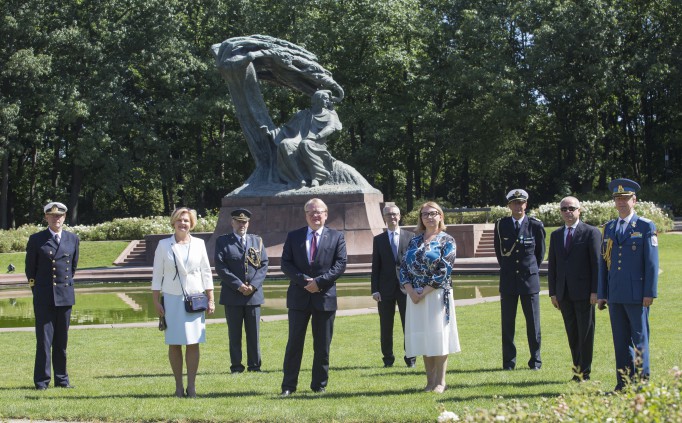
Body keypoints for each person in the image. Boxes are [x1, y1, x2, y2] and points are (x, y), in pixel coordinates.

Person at [280, 198, 347, 396]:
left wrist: (320, 282)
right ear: (305, 215)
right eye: (311, 212)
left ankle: (319, 385)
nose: (315, 215)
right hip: (298, 298)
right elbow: (286, 264)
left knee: (322, 345)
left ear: (326, 214)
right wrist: (303, 281)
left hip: (324, 297)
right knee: (294, 344)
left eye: (319, 212)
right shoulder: (294, 236)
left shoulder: (337, 237)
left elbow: (340, 264)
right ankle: (288, 386)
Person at [598, 178, 659, 392]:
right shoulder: (609, 228)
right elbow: (604, 264)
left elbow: (651, 264)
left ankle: (642, 384)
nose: (621, 202)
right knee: (620, 342)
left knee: (640, 341)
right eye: (618, 198)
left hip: (637, 294)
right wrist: (602, 294)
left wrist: (649, 293)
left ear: (634, 200)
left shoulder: (645, 226)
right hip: (615, 295)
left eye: (625, 198)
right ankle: (623, 384)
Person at [151, 207, 215, 398]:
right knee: (174, 343)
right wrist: (156, 301)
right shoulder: (164, 245)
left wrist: (211, 298)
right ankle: (179, 387)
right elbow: (157, 275)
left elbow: (206, 272)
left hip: (195, 299)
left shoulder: (199, 244)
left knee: (194, 342)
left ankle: (192, 387)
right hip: (171, 299)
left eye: (186, 220)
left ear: (192, 223)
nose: (183, 223)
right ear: (173, 222)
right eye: (179, 220)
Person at [399, 201, 460, 393]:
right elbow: (403, 268)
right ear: (421, 219)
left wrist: (424, 291)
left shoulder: (447, 240)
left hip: (435, 294)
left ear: (441, 216)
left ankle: (440, 382)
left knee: (438, 337)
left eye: (433, 213)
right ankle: (429, 382)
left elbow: (445, 269)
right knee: (424, 338)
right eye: (425, 214)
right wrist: (410, 291)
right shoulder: (414, 240)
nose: (429, 217)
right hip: (415, 296)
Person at [25, 201, 79, 390]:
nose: (56, 219)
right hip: (44, 297)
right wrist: (38, 291)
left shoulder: (73, 239)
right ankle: (42, 382)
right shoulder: (36, 239)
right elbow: (30, 271)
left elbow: (72, 268)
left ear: (64, 217)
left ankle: (62, 380)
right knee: (44, 342)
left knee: (61, 343)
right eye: (53, 216)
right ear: (46, 217)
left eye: (60, 216)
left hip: (65, 297)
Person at [547, 196, 601, 381]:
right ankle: (577, 369)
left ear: (579, 210)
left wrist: (596, 291)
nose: (568, 212)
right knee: (572, 333)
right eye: (564, 209)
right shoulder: (555, 235)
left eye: (571, 208)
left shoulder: (591, 232)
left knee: (585, 333)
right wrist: (553, 292)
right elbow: (552, 266)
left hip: (585, 293)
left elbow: (596, 264)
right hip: (563, 293)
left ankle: (584, 373)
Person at [494, 189, 545, 371]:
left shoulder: (535, 225)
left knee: (533, 324)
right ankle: (509, 362)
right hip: (508, 281)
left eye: (521, 203)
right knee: (507, 324)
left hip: (529, 281)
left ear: (526, 204)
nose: (518, 206)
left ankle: (535, 361)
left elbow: (539, 254)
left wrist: (529, 270)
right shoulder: (501, 225)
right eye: (514, 203)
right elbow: (500, 253)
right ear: (509, 205)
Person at [215, 208, 269, 374]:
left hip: (253, 295)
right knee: (234, 334)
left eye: (244, 222)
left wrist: (252, 286)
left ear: (248, 223)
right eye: (238, 221)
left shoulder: (257, 241)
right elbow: (221, 267)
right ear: (232, 222)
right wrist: (238, 285)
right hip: (232, 295)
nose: (242, 225)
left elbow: (264, 265)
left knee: (254, 334)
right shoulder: (223, 241)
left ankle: (255, 366)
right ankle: (236, 367)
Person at [371, 205, 416, 368]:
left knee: (409, 325)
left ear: (400, 216)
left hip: (407, 289)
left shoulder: (411, 237)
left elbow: (413, 264)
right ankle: (388, 359)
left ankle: (410, 358)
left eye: (395, 214)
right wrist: (374, 290)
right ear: (384, 217)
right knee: (386, 326)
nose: (392, 217)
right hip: (384, 290)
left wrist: (415, 287)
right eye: (389, 214)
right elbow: (375, 267)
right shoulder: (378, 239)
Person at [268, 90, 342, 187]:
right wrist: (271, 133)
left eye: (328, 99)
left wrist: (317, 136)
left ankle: (316, 177)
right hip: (298, 140)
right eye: (325, 99)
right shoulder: (302, 114)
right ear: (317, 100)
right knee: (285, 144)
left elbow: (331, 128)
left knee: (305, 144)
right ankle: (298, 178)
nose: (328, 102)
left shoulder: (329, 114)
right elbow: (286, 128)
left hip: (316, 143)